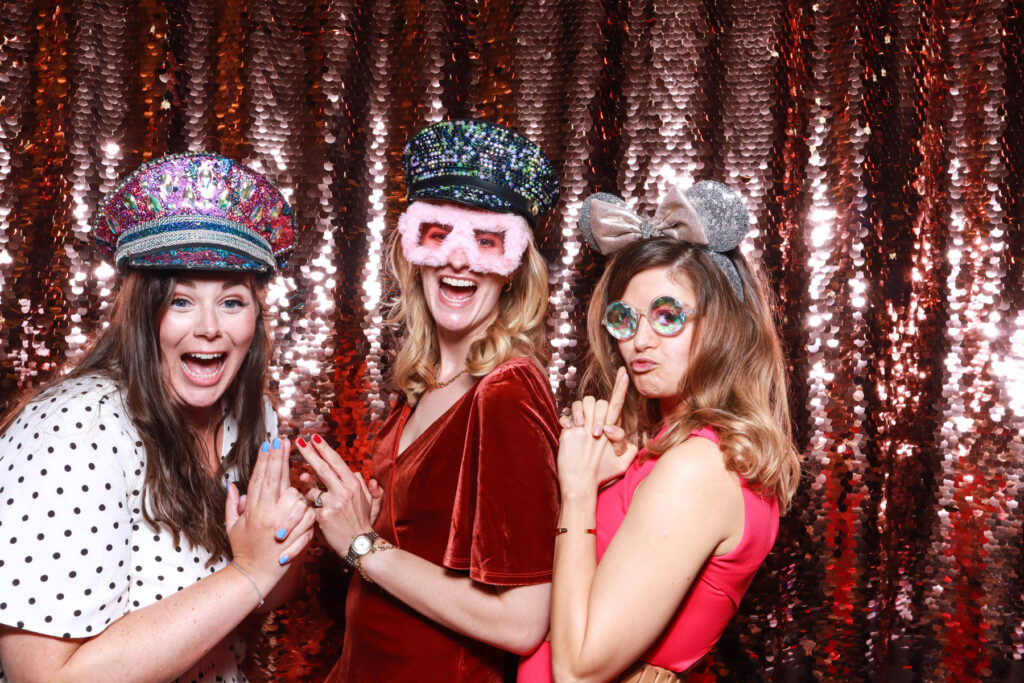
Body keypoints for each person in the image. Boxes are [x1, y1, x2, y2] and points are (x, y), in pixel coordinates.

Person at [0, 152, 314, 683]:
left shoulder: (254, 417)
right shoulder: (75, 426)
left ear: (257, 317)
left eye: (232, 302)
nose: (211, 328)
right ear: (143, 314)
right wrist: (248, 571)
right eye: (182, 301)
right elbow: (45, 678)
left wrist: (295, 539)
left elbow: (262, 596)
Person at [296, 119, 562, 682]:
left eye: (485, 242)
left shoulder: (507, 391)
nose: (459, 260)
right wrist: (360, 517)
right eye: (439, 235)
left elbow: (521, 621)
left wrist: (363, 547)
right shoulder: (420, 389)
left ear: (513, 270)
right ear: (414, 251)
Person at [522, 180, 801, 682]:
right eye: (624, 319)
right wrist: (608, 477)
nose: (639, 340)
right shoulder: (671, 450)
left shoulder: (698, 466)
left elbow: (577, 671)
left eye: (667, 316)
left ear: (722, 325)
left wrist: (580, 491)